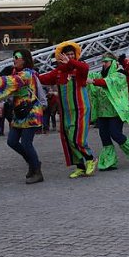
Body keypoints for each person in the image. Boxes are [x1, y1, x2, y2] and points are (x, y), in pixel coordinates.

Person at [38, 42, 97, 179]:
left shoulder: (80, 68)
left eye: (72, 54)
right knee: (68, 138)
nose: (70, 57)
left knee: (78, 138)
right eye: (67, 54)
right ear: (61, 56)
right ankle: (80, 167)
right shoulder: (59, 72)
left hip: (81, 109)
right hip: (66, 112)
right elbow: (43, 79)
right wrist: (30, 74)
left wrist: (71, 62)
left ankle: (90, 159)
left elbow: (85, 67)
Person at [0, 49, 45, 184]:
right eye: (13, 56)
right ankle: (33, 162)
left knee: (26, 143)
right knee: (12, 141)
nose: (14, 59)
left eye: (17, 57)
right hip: (19, 113)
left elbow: (10, 82)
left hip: (31, 112)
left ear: (25, 59)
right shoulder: (16, 73)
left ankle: (37, 172)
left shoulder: (27, 74)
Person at [88, 53, 129, 170]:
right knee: (104, 136)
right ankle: (109, 162)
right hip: (102, 112)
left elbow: (107, 82)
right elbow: (85, 75)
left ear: (113, 62)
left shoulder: (119, 75)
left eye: (106, 61)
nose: (104, 64)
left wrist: (92, 81)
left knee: (115, 134)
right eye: (103, 61)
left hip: (116, 111)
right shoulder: (98, 74)